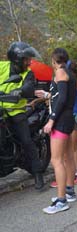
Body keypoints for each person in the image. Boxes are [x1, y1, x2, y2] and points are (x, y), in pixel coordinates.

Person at [0, 42, 44, 189]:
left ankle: (38, 174)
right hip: (1, 108)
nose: (29, 61)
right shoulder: (3, 67)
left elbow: (29, 86)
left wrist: (19, 92)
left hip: (16, 111)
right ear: (17, 59)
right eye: (26, 59)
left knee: (26, 140)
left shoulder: (28, 73)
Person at [40, 48, 77, 214]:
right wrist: (47, 94)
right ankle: (69, 191)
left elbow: (61, 99)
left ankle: (62, 201)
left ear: (54, 60)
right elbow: (61, 95)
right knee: (67, 157)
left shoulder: (60, 73)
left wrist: (51, 120)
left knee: (56, 160)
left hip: (61, 120)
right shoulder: (69, 72)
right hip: (69, 118)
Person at [49, 60, 77, 187]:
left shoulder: (72, 82)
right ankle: (68, 179)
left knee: (72, 149)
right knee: (67, 151)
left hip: (74, 115)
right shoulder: (72, 81)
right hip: (72, 115)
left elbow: (63, 97)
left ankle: (74, 175)